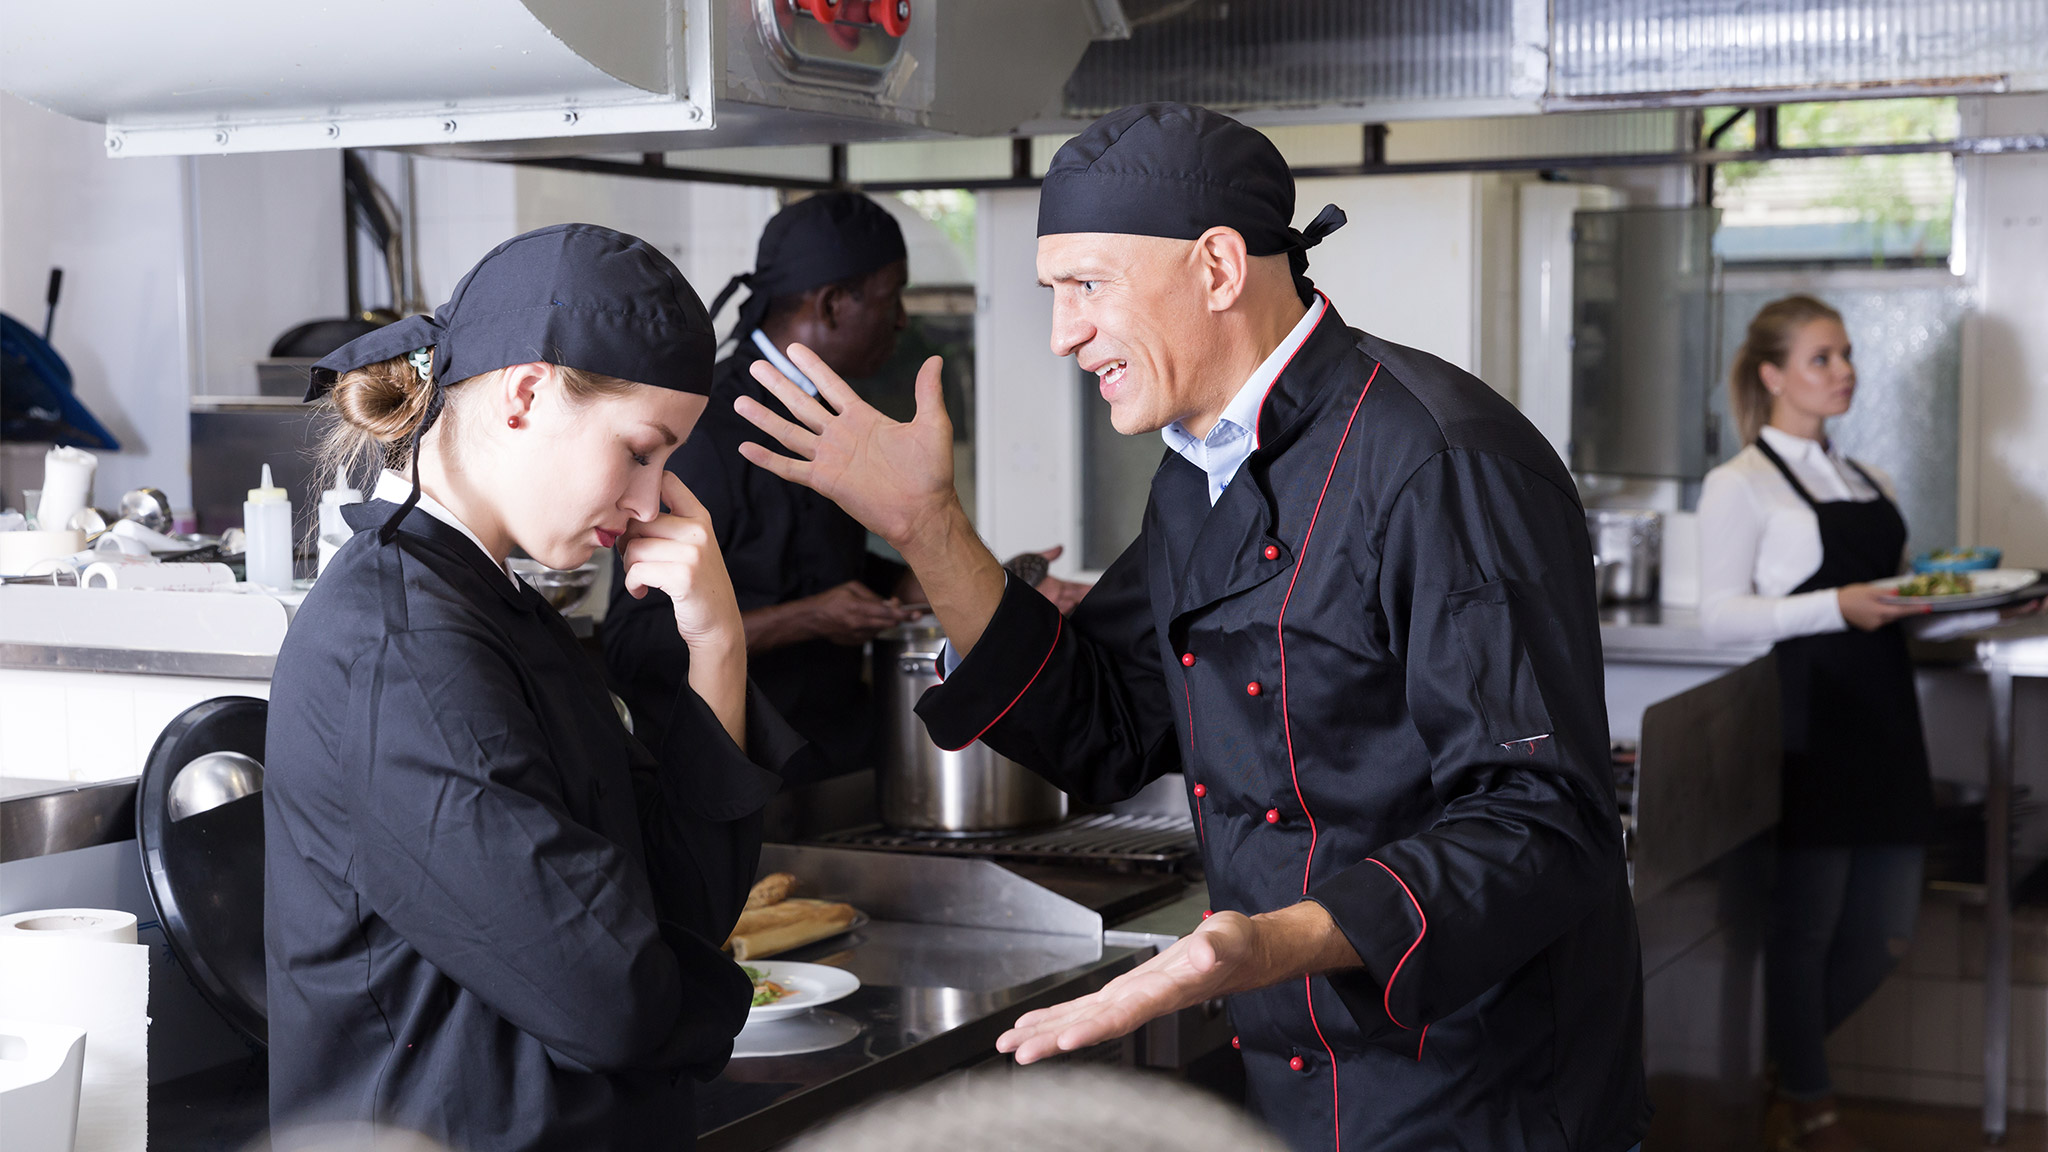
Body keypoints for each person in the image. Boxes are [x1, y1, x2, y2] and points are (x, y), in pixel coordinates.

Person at [732, 103, 1646, 1151]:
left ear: (1215, 268)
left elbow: (1540, 823)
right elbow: (1104, 724)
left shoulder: (1439, 461)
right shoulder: (1195, 477)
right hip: (1303, 1063)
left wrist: (1264, 946)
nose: (1061, 334)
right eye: (1053, 293)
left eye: (1086, 286)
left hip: (1483, 1082)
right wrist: (927, 528)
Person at [265, 224, 802, 1149]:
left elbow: (689, 904)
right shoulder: (400, 646)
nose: (652, 501)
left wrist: (717, 643)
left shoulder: (505, 613)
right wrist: (698, 983)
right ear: (524, 395)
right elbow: (612, 1001)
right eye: (641, 450)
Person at [603, 192, 1085, 778]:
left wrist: (966, 583)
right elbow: (635, 644)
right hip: (731, 780)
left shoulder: (824, 416)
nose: (903, 318)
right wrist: (809, 618)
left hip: (833, 764)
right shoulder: (702, 432)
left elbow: (831, 568)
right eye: (892, 297)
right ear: (833, 305)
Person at [1698, 295, 1930, 1152]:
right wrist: (1838, 605)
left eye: (1846, 355)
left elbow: (1896, 602)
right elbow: (1719, 617)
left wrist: (1987, 605)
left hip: (1887, 725)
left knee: (1888, 936)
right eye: (1822, 358)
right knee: (1805, 933)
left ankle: (1749, 1067)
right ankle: (1810, 1104)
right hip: (1805, 728)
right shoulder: (1740, 483)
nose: (1844, 372)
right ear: (1773, 375)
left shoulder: (1874, 480)